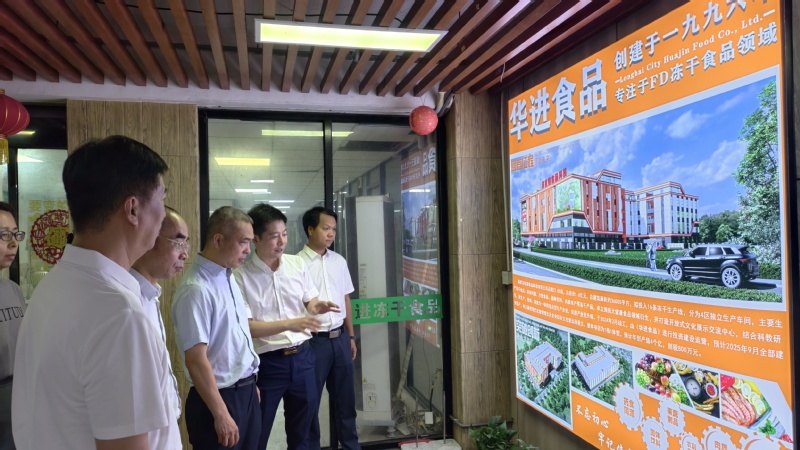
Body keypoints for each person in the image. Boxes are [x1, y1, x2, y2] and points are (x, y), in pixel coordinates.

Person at [12, 136, 178, 450]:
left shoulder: (54, 284)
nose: (163, 216)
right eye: (162, 199)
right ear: (133, 209)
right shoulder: (118, 313)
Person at [234, 203, 340, 450]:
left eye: (284, 234)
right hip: (267, 365)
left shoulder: (296, 264)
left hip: (303, 359)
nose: (282, 241)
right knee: (257, 433)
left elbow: (309, 301)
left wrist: (317, 306)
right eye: (274, 236)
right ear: (256, 238)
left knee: (303, 434)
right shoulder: (240, 276)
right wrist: (292, 324)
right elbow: (249, 328)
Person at [172, 206, 261, 450]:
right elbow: (196, 360)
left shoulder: (228, 275)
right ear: (218, 240)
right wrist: (221, 413)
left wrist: (249, 384)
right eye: (243, 242)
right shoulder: (196, 289)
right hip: (218, 400)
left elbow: (235, 338)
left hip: (244, 392)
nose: (248, 250)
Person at [298, 207, 360, 450]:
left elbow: (345, 299)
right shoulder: (296, 264)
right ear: (310, 229)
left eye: (333, 229)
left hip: (341, 340)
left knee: (346, 402)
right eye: (326, 228)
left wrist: (351, 337)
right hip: (312, 343)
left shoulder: (339, 261)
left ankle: (351, 446)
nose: (331, 233)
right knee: (309, 404)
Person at [130, 206, 190, 450]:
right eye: (178, 244)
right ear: (147, 237)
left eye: (186, 245)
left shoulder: (150, 294)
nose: (184, 254)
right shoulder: (127, 303)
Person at [0, 203, 25, 450]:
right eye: (3, 235)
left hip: (18, 398)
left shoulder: (14, 290)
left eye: (15, 234)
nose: (13, 243)